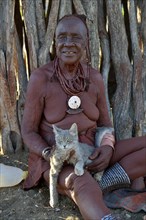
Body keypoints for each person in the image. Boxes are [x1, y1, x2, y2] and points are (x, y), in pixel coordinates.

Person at [21, 14, 146, 220]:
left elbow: (105, 124)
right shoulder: (41, 78)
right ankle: (103, 211)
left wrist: (107, 148)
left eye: (75, 37)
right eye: (62, 37)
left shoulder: (94, 78)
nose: (68, 43)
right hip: (58, 158)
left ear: (87, 42)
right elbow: (28, 130)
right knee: (79, 180)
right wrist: (48, 153)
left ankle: (101, 182)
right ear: (55, 41)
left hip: (91, 151)